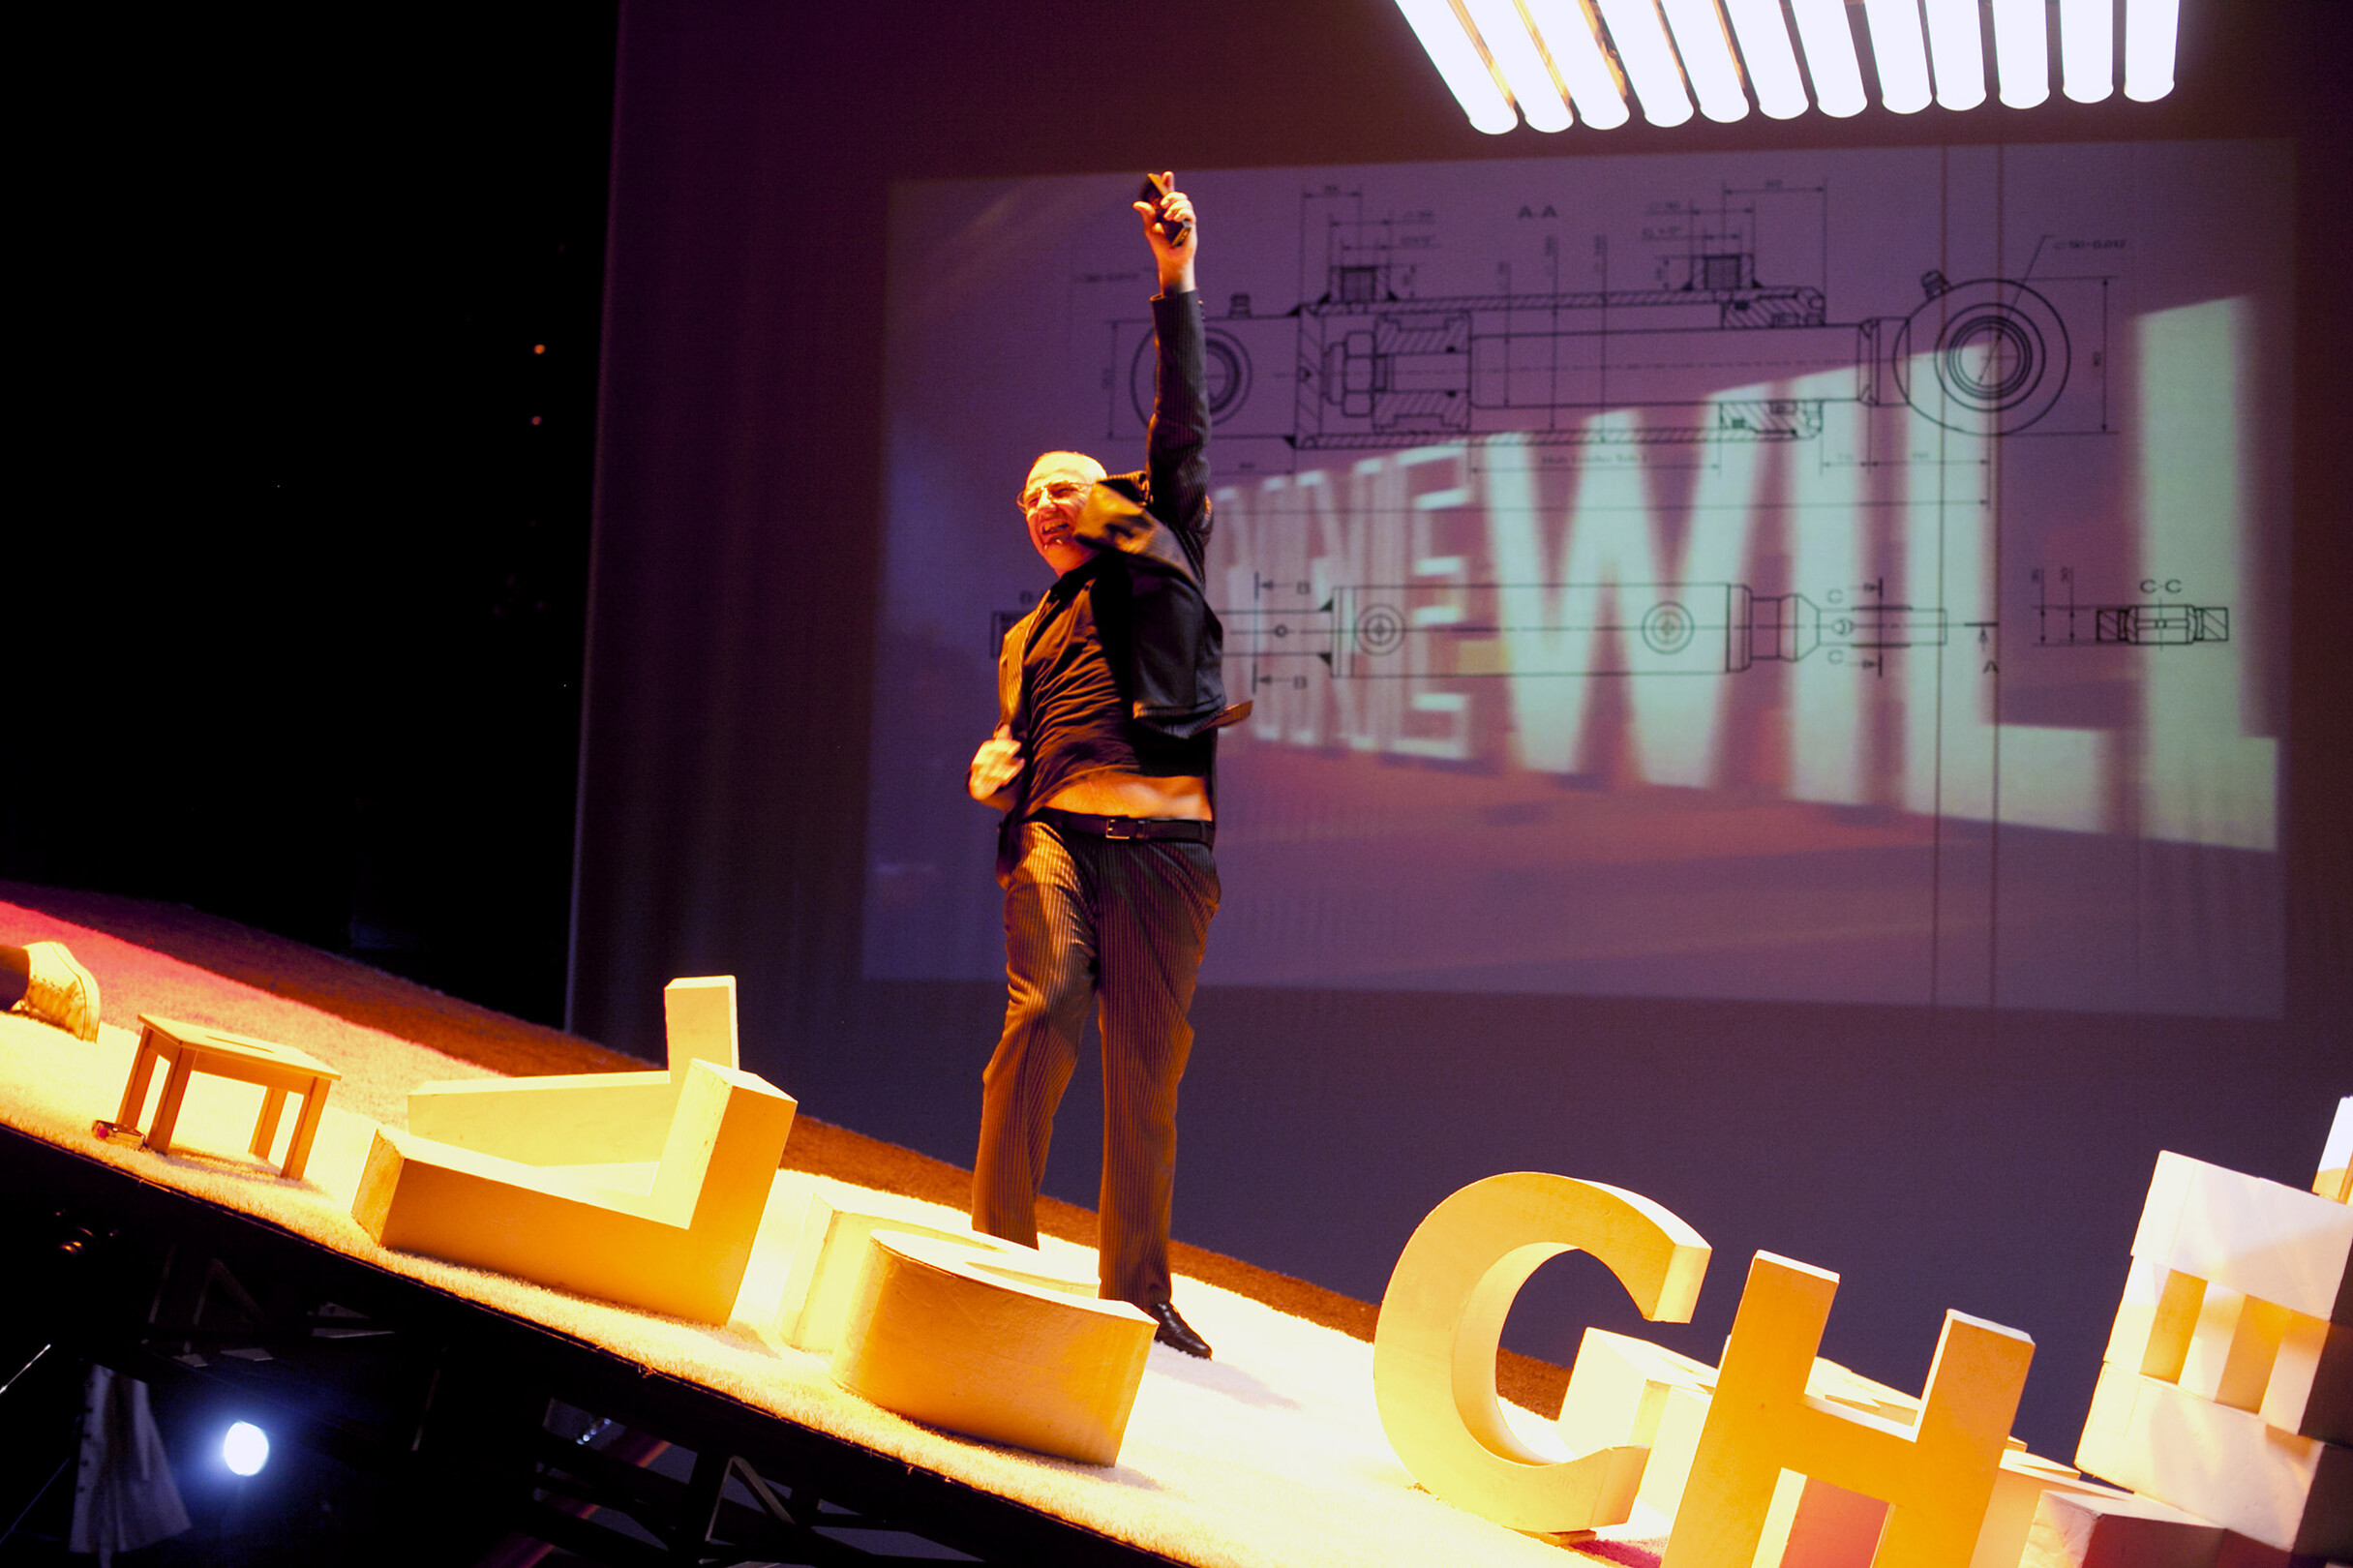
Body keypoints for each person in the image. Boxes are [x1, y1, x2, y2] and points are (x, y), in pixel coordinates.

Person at [965, 174, 1246, 1359]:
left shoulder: (1157, 543)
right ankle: (996, 1250)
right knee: (1046, 1007)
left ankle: (1138, 1289)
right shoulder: (1023, 638)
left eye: (1063, 484)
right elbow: (1019, 754)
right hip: (1058, 841)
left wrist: (1176, 276)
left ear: (1111, 499)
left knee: (1146, 1071)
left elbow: (1180, 421)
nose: (1044, 501)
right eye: (1029, 493)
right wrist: (999, 772)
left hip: (1168, 850)